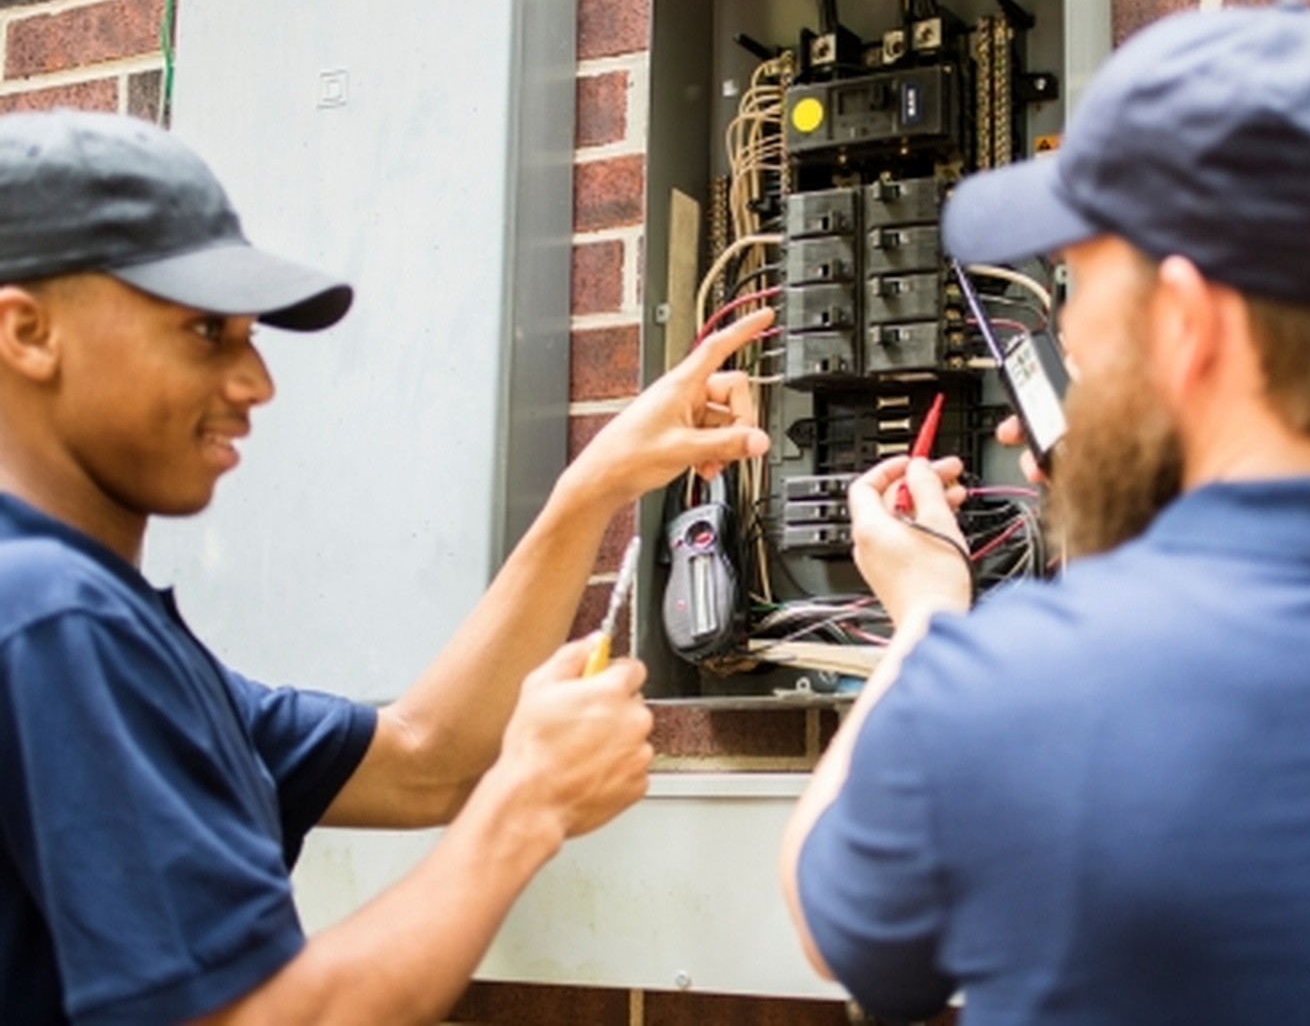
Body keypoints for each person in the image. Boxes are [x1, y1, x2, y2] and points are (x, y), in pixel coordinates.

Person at [781, 2, 1310, 1024]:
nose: (1067, 332)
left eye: (1080, 285)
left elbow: (830, 927)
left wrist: (926, 615)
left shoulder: (1003, 693)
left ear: (1187, 322)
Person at [0, 109, 772, 1024]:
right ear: (28, 332)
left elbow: (427, 761)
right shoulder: (49, 615)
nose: (256, 383)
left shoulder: (98, 626)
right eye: (207, 333)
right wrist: (525, 806)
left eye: (252, 337)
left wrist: (590, 490)